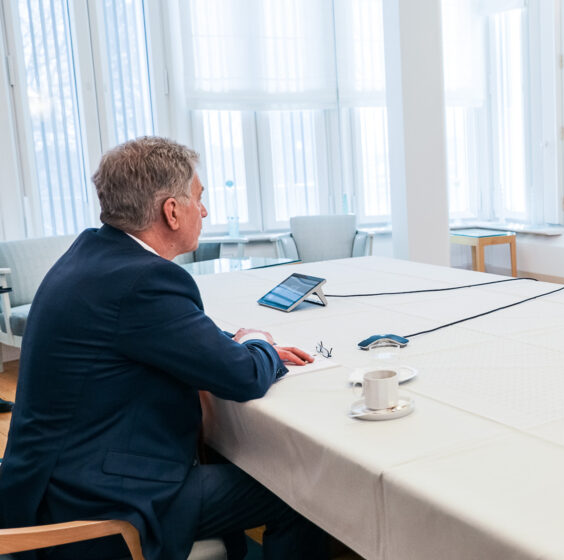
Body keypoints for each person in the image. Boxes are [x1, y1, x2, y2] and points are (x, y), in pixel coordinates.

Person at [0, 137, 326, 560]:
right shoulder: (144, 281)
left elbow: (153, 338)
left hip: (50, 481)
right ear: (172, 211)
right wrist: (259, 343)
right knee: (303, 493)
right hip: (102, 502)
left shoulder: (91, 254)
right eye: (198, 198)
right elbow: (242, 378)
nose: (205, 211)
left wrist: (229, 344)